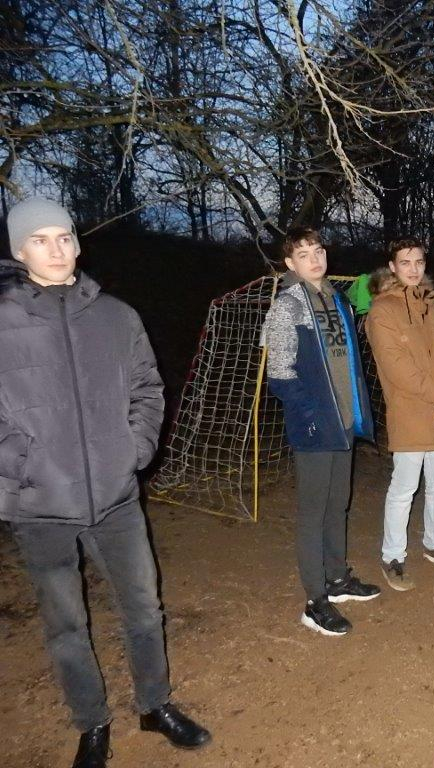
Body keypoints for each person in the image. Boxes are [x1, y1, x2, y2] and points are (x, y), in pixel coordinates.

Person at [1, 198, 211, 768]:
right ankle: (92, 723)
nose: (56, 249)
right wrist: (23, 468)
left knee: (143, 608)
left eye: (64, 236)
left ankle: (154, 704)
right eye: (40, 239)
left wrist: (133, 451)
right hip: (39, 504)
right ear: (19, 250)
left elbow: (147, 388)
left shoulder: (116, 316)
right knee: (66, 625)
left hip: (116, 497)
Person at [264, 226, 380, 637]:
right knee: (313, 513)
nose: (314, 259)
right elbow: (279, 373)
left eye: (318, 250)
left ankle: (337, 578)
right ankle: (315, 600)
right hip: (314, 425)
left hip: (344, 420)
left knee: (338, 504)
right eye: (304, 254)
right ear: (290, 263)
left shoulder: (337, 299)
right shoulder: (287, 306)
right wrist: (311, 415)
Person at [366, 238, 434, 591]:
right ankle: (392, 555)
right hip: (411, 411)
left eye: (419, 262)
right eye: (405, 262)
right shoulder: (382, 311)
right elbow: (398, 369)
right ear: (392, 267)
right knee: (404, 488)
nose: (413, 269)